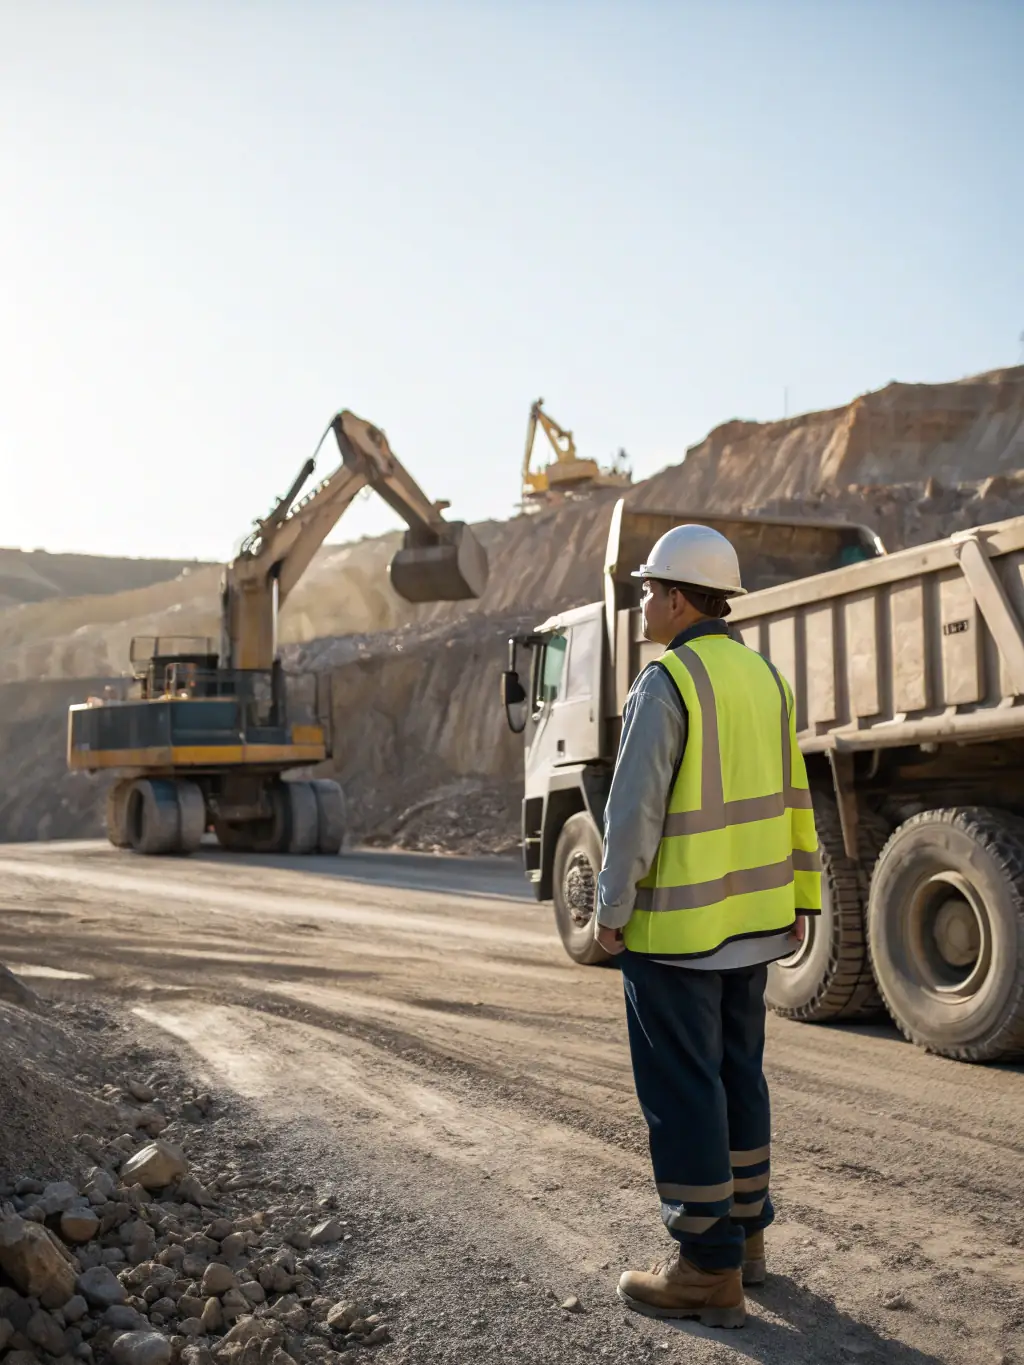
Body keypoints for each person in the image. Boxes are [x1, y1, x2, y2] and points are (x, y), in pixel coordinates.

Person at [595, 523, 821, 1328]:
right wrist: (803, 895)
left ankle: (704, 1267)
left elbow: (633, 814)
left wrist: (610, 913)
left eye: (651, 588)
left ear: (683, 597)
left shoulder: (667, 683)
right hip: (755, 925)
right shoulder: (763, 677)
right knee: (737, 1076)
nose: (644, 601)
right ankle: (746, 1241)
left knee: (683, 1090)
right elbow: (796, 793)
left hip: (677, 934)